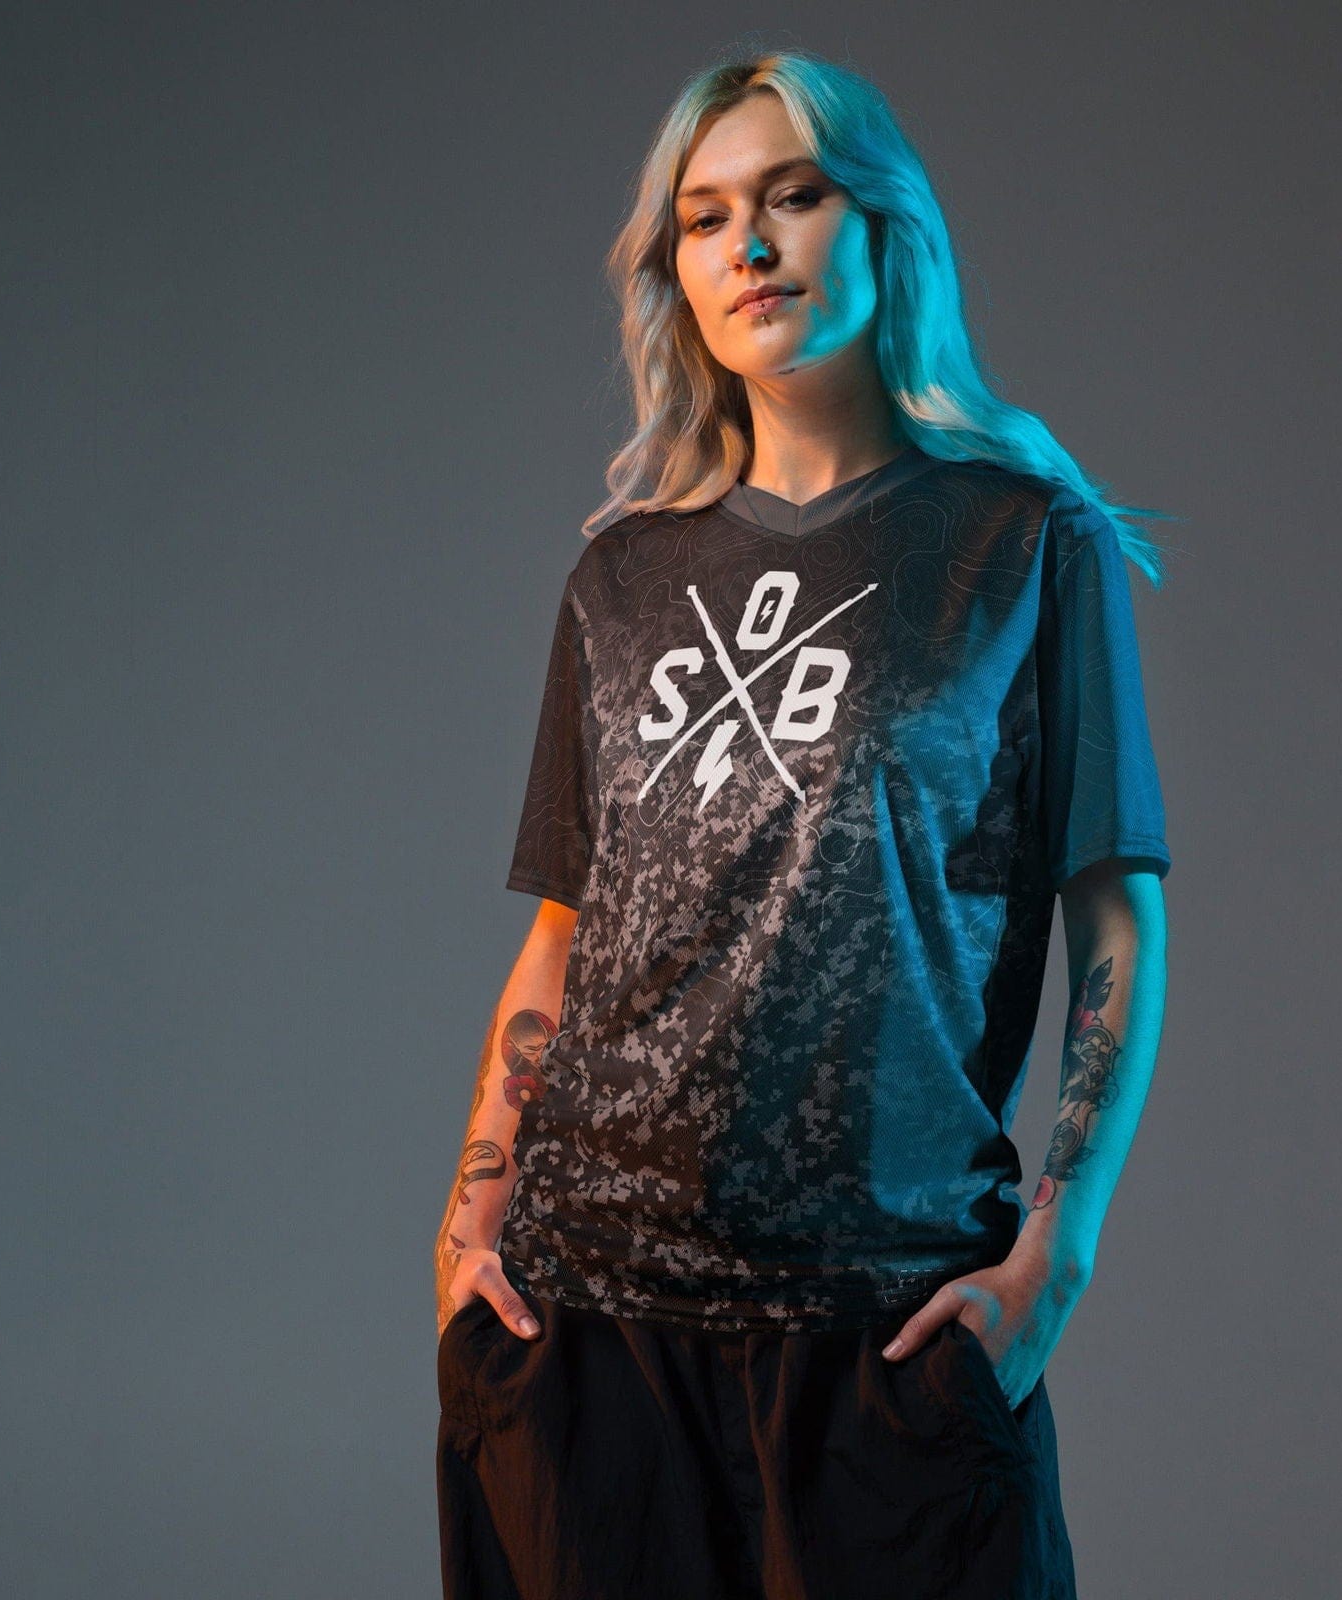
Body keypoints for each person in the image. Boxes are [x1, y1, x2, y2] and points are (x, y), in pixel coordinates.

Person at [433, 44, 1175, 1600]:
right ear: (677, 274)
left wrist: (1059, 1255)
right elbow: (564, 934)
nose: (750, 245)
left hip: (885, 1326)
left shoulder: (1023, 546)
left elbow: (1116, 916)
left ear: (884, 225)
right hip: (588, 1325)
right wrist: (467, 1227)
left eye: (794, 196)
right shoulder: (622, 576)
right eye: (705, 218)